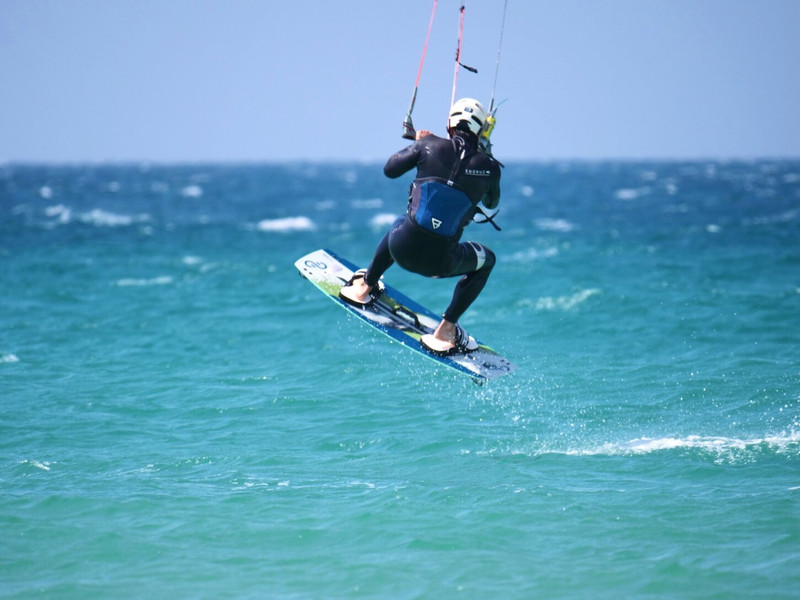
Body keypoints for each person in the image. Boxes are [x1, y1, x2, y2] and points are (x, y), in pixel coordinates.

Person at [339, 97, 502, 356]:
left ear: (449, 123)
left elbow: (390, 169)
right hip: (440, 264)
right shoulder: (489, 167)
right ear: (482, 130)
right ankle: (446, 329)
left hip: (400, 248)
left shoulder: (427, 145)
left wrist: (419, 145)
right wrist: (486, 157)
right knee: (488, 259)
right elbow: (492, 202)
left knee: (401, 223)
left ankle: (365, 286)